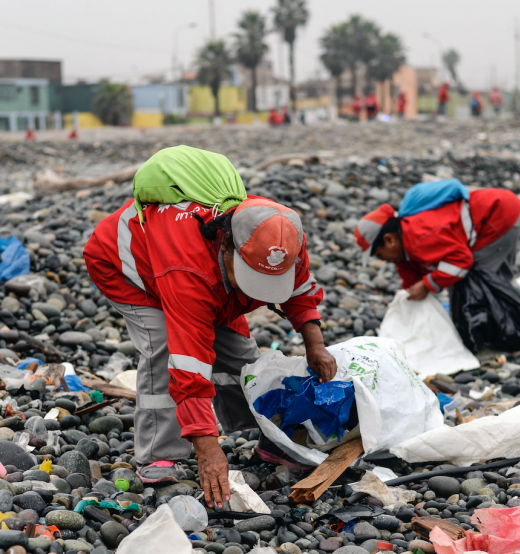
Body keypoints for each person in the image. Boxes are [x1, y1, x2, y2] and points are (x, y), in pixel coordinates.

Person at [83, 146, 336, 508]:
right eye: (251, 278)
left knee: (244, 358)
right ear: (227, 246)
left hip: (211, 282)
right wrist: (208, 449)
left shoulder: (279, 235)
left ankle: (269, 439)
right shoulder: (190, 269)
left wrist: (316, 344)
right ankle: (158, 453)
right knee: (165, 347)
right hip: (128, 270)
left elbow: (299, 288)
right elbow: (189, 364)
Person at [354, 183, 520, 342]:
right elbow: (409, 267)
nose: (383, 259)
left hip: (499, 216)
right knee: (498, 279)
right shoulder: (406, 239)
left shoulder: (419, 237)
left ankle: (503, 334)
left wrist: (426, 285)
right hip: (506, 207)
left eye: (379, 254)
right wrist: (411, 288)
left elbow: (462, 261)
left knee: (475, 283)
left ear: (389, 240)